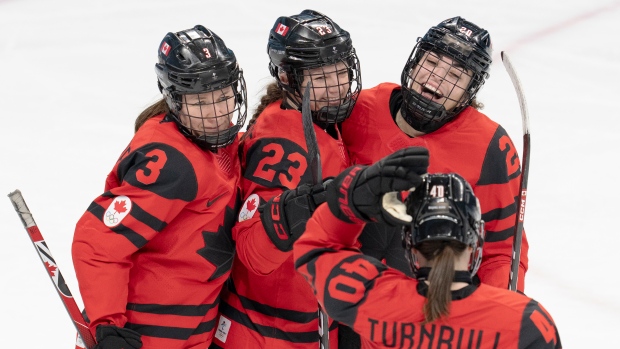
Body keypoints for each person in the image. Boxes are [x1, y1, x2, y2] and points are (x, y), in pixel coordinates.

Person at [71, 25, 247, 349]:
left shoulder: (221, 143)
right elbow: (97, 239)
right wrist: (108, 325)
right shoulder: (172, 161)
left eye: (223, 96)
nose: (218, 112)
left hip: (194, 330)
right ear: (176, 100)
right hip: (143, 335)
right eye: (201, 101)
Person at [293, 155, 562, 349]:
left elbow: (316, 248)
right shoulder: (526, 323)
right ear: (475, 238)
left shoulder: (372, 298)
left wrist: (351, 197)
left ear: (410, 241)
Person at [341, 16, 528, 290]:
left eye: (455, 75)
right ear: (414, 62)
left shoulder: (490, 146)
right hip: (345, 299)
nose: (437, 77)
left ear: (469, 91)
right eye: (431, 62)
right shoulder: (359, 109)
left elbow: (502, 251)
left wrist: (498, 316)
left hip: (432, 316)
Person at [210, 9, 361, 349]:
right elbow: (254, 253)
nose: (337, 87)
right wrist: (292, 213)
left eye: (341, 72)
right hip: (267, 334)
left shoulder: (318, 120)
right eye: (321, 78)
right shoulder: (284, 143)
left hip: (298, 324)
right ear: (289, 79)